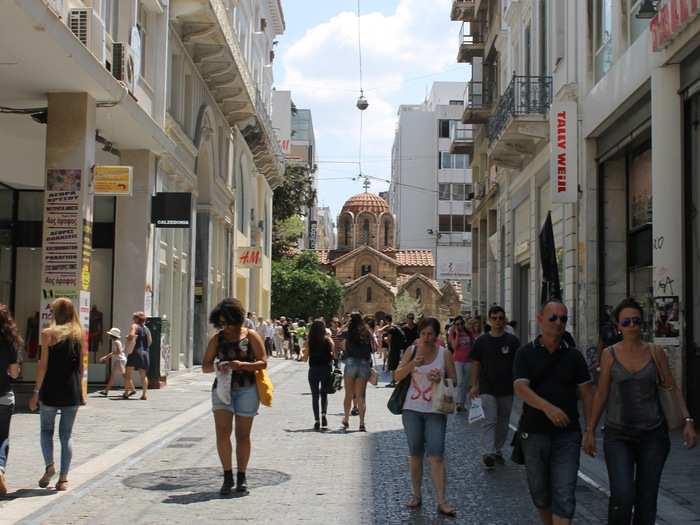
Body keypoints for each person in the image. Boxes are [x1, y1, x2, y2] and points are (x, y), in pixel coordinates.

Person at [584, 297, 697, 524]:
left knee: (647, 500)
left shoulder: (655, 352)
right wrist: (590, 430)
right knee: (622, 496)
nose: (632, 326)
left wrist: (688, 420)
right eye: (626, 322)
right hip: (618, 435)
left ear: (642, 323)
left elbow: (671, 387)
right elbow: (602, 393)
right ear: (618, 326)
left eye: (636, 321)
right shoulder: (609, 355)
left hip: (653, 435)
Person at [513, 300, 594, 525]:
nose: (559, 323)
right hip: (534, 432)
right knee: (539, 492)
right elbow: (520, 387)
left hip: (567, 434)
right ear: (540, 319)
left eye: (563, 319)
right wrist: (548, 408)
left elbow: (588, 393)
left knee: (565, 493)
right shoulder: (525, 353)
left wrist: (590, 430)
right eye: (553, 318)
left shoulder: (574, 357)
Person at [203, 298, 267, 496]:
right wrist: (217, 366)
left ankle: (242, 476)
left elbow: (263, 363)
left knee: (242, 435)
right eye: (222, 323)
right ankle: (227, 475)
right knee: (222, 433)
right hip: (222, 389)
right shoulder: (217, 339)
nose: (226, 327)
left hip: (247, 389)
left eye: (229, 322)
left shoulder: (251, 336)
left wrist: (242, 365)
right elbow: (205, 366)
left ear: (237, 319)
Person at [394, 317, 457, 517]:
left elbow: (454, 380)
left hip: (436, 410)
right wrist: (413, 364)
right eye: (423, 334)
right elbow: (397, 376)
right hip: (412, 408)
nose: (427, 337)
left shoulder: (444, 353)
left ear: (437, 335)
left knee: (436, 456)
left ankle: (441, 500)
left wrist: (441, 378)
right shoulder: (412, 351)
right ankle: (416, 494)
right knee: (415, 454)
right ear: (419, 334)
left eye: (430, 334)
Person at [28, 298, 83, 492]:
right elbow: (81, 367)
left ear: (56, 313)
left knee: (46, 431)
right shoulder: (78, 334)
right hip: (71, 390)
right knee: (66, 435)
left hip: (50, 389)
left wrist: (35, 392)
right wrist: (81, 392)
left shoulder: (47, 334)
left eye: (52, 311)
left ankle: (49, 465)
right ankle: (63, 479)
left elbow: (43, 366)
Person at [469, 306, 520, 467]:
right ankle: (488, 452)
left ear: (504, 320)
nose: (498, 321)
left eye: (500, 317)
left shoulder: (512, 341)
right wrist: (474, 385)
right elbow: (476, 364)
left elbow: (519, 364)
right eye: (494, 318)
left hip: (507, 388)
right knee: (490, 420)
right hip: (487, 388)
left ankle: (497, 450)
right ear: (490, 320)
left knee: (503, 422)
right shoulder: (481, 341)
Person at [0, 304, 21, 495]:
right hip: (4, 396)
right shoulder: (10, 342)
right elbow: (14, 374)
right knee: (3, 437)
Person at [341, 313, 373, 432]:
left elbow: (338, 334)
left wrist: (345, 325)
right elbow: (374, 346)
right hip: (364, 364)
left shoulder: (348, 332)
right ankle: (361, 423)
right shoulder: (366, 331)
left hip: (350, 363)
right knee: (361, 396)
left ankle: (346, 419)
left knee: (348, 394)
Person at [303, 320, 335, 431]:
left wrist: (304, 352)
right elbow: (333, 354)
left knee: (315, 396)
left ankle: (316, 421)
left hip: (313, 370)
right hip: (325, 369)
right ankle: (323, 415)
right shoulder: (327, 340)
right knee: (324, 394)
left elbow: (304, 359)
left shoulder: (309, 341)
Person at [448, 315, 475, 412]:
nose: (460, 326)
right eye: (457, 324)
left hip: (468, 360)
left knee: (465, 383)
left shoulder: (469, 332)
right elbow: (454, 347)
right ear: (454, 325)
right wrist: (457, 334)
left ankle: (462, 404)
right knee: (460, 382)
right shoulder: (453, 333)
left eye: (461, 323)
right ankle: (458, 403)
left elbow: (473, 345)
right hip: (458, 360)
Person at [124, 312, 151, 400]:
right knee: (143, 375)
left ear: (136, 319)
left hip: (135, 352)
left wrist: (128, 337)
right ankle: (144, 394)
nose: (132, 319)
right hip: (144, 353)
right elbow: (150, 341)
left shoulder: (134, 326)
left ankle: (127, 392)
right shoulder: (146, 329)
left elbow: (131, 335)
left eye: (133, 318)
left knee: (127, 374)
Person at [98, 328, 126, 397]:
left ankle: (131, 389)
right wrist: (107, 356)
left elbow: (118, 351)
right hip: (120, 360)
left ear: (113, 336)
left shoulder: (116, 342)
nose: (109, 336)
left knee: (124, 376)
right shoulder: (117, 341)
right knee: (114, 376)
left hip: (119, 360)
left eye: (110, 335)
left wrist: (107, 356)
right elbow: (119, 351)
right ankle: (106, 391)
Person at [381, 315, 405, 388]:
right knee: (396, 365)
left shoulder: (391, 329)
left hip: (393, 349)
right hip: (398, 349)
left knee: (392, 366)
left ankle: (393, 382)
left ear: (386, 320)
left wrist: (385, 338)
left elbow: (388, 340)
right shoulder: (396, 327)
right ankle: (395, 381)